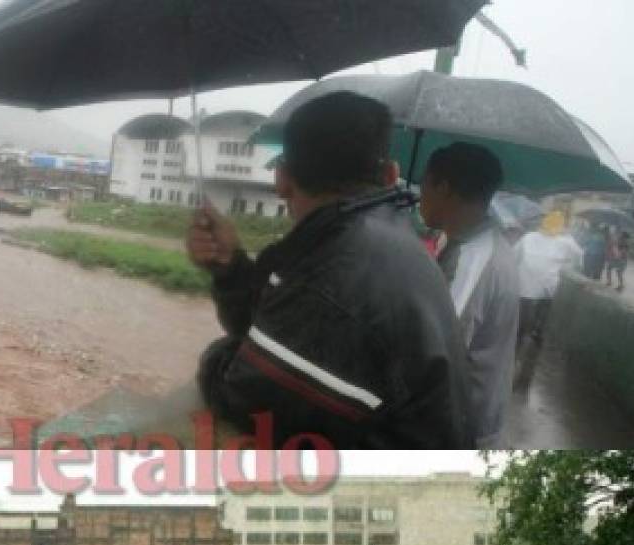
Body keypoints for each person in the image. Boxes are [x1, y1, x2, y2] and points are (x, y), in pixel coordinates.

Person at [187, 92, 472, 449]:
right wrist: (230, 266)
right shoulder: (389, 238)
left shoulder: (334, 276)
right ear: (390, 174)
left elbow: (242, 397)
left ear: (282, 178)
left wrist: (217, 354)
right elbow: (276, 324)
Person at [419, 142, 520, 451]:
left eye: (424, 186)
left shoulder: (473, 261)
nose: (419, 196)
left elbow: (437, 351)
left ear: (444, 188)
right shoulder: (470, 244)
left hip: (461, 430)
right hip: (471, 420)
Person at [515, 211, 584, 347]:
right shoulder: (566, 241)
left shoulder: (528, 237)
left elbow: (514, 255)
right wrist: (567, 263)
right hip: (548, 284)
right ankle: (538, 333)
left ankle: (520, 335)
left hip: (525, 282)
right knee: (544, 309)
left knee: (525, 309)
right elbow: (579, 258)